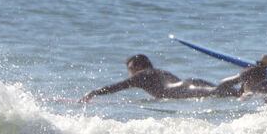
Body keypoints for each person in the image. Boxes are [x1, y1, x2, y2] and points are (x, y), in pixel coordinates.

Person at [80, 54, 219, 101]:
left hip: (186, 89)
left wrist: (93, 92)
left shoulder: (143, 75)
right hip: (191, 83)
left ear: (139, 66)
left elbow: (117, 86)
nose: (130, 74)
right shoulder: (160, 73)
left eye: (130, 69)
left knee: (225, 94)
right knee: (229, 93)